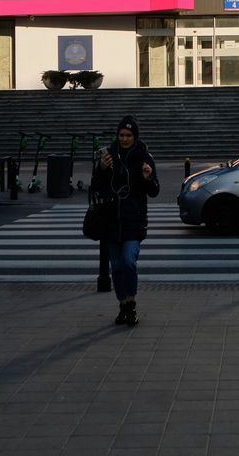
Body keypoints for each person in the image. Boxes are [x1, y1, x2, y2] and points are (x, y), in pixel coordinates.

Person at [89, 115, 159, 325]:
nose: (125, 139)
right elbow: (96, 186)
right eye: (121, 135)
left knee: (129, 261)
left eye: (129, 135)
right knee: (117, 266)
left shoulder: (145, 158)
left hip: (134, 219)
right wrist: (101, 169)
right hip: (111, 219)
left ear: (135, 137)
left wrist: (147, 179)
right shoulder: (108, 156)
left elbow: (155, 191)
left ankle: (132, 303)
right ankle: (123, 305)